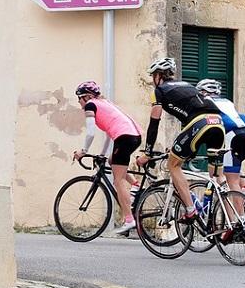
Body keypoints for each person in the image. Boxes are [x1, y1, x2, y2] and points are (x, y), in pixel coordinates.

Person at [136, 58, 224, 223]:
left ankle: (191, 210)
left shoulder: (159, 90)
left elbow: (154, 123)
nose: (152, 80)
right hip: (218, 122)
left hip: (200, 123)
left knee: (173, 165)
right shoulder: (186, 85)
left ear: (158, 76)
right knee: (216, 177)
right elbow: (189, 123)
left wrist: (147, 153)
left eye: (153, 75)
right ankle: (232, 220)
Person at [73, 81, 143, 234]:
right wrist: (103, 155)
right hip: (133, 136)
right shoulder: (104, 103)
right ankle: (136, 184)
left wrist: (83, 151)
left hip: (124, 137)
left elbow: (90, 133)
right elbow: (108, 133)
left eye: (79, 98)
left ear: (88, 96)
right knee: (112, 161)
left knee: (117, 181)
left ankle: (129, 220)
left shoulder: (91, 105)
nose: (79, 102)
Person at [195, 79, 245, 200]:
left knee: (229, 180)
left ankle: (237, 218)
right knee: (234, 172)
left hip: (232, 135)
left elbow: (203, 126)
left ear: (203, 92)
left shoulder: (206, 102)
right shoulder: (226, 101)